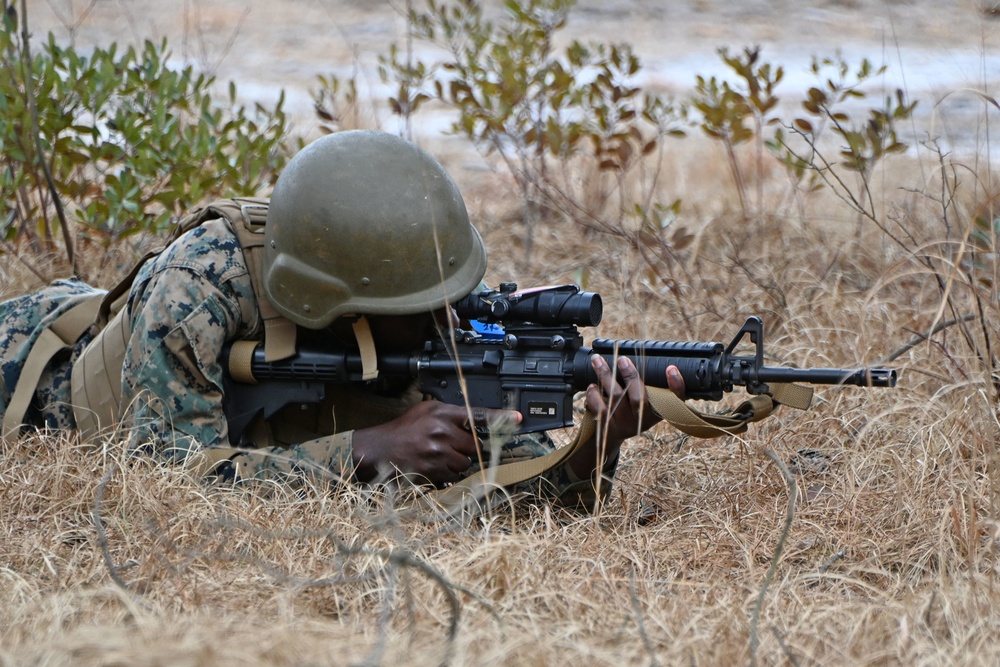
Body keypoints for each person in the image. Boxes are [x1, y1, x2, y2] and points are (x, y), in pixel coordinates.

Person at [0, 130, 684, 511]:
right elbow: (162, 478)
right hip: (33, 369)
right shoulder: (197, 288)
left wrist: (596, 447)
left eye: (449, 294)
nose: (447, 317)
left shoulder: (416, 288)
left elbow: (509, 490)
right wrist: (365, 449)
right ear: (346, 304)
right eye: (422, 308)